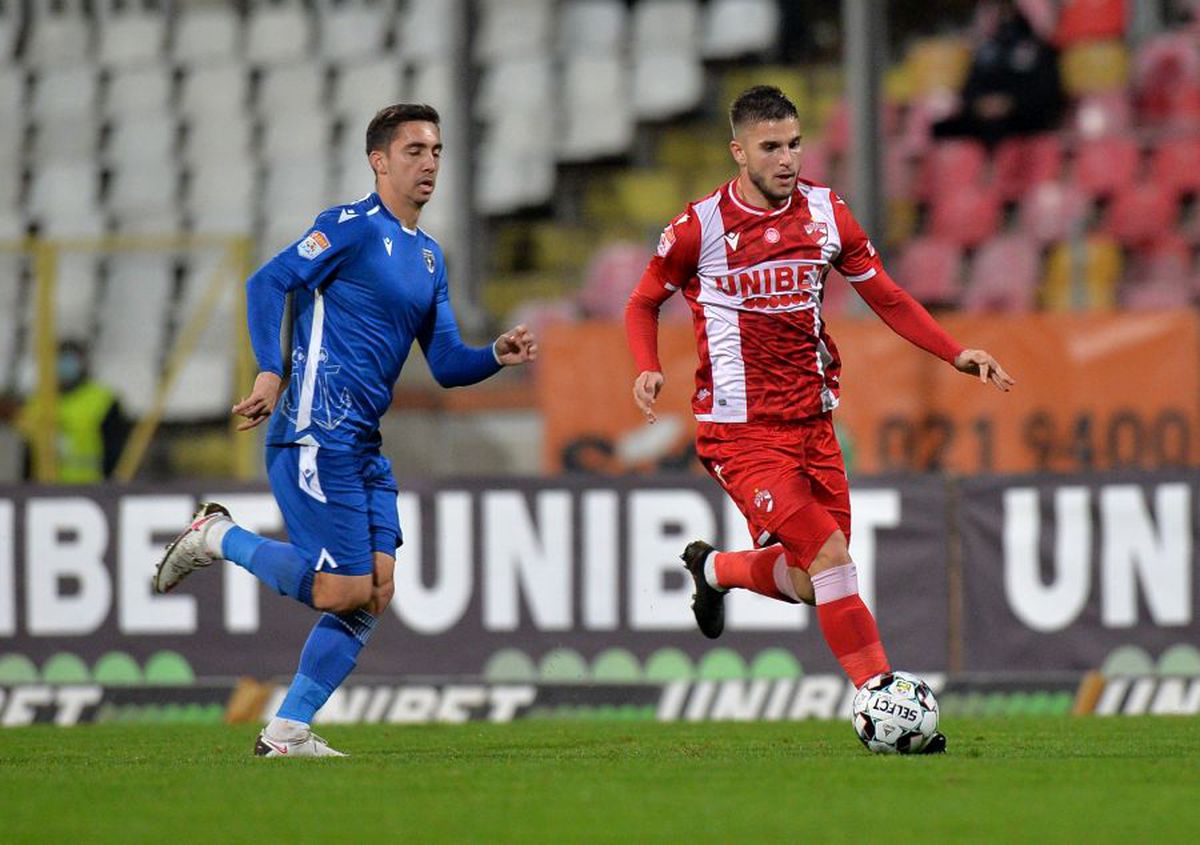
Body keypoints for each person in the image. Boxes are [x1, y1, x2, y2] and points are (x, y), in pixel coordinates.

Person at [624, 86, 1014, 752]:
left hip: (813, 424)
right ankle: (882, 699)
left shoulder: (829, 213)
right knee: (832, 557)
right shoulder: (699, 227)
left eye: (795, 143)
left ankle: (715, 569)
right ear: (738, 150)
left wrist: (956, 352)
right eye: (771, 147)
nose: (786, 158)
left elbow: (885, 295)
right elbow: (641, 302)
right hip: (739, 431)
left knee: (812, 579)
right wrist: (646, 364)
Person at [153, 103, 538, 757]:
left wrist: (493, 356)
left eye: (437, 150)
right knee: (343, 589)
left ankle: (286, 732)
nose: (430, 163)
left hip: (362, 444)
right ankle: (216, 535)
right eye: (414, 150)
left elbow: (444, 363)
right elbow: (266, 282)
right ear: (379, 160)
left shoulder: (427, 258)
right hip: (313, 430)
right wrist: (270, 371)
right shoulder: (349, 228)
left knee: (375, 591)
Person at [931, 0, 1065, 146]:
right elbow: (969, 89)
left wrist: (1009, 104)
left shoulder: (1041, 49)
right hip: (984, 118)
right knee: (940, 128)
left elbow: (1048, 93)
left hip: (1024, 119)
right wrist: (980, 104)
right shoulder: (987, 49)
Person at [17, 340, 131, 483]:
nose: (64, 366)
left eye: (70, 359)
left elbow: (116, 450)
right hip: (43, 490)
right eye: (60, 359)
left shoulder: (103, 401)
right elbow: (27, 452)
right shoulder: (37, 402)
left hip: (89, 487)